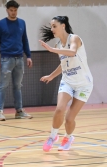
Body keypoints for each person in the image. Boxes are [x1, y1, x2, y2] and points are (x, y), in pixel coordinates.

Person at [39, 16, 93, 151]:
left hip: (83, 84)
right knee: (59, 109)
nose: (52, 29)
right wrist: (51, 76)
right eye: (51, 26)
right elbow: (64, 65)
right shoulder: (58, 45)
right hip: (68, 81)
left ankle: (69, 137)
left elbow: (73, 52)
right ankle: (52, 136)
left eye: (54, 26)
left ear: (63, 26)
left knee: (69, 119)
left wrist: (52, 50)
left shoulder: (74, 38)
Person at [0, 0, 33, 121]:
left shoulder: (22, 23)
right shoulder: (0, 24)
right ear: (7, 10)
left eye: (15, 10)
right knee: (3, 86)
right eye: (11, 10)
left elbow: (25, 40)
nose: (13, 12)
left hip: (20, 59)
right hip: (6, 59)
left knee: (18, 86)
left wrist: (29, 56)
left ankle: (19, 111)